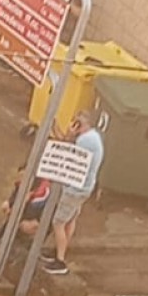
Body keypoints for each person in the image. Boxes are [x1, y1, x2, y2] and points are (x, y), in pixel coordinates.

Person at [43, 107, 104, 274]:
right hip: (84, 187)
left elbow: (68, 155)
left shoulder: (85, 141)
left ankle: (60, 261)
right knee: (70, 220)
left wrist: (70, 135)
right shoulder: (94, 137)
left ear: (82, 124)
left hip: (75, 188)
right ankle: (58, 251)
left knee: (58, 222)